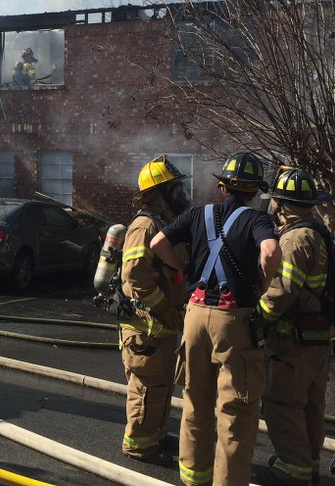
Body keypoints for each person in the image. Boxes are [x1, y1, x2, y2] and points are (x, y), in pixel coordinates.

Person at [150, 151, 282, 486]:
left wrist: (183, 267)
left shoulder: (197, 215)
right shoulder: (257, 220)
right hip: (233, 320)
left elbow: (157, 242)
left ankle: (194, 476)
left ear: (223, 187)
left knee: (196, 398)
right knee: (236, 409)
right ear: (254, 192)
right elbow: (270, 252)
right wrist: (264, 283)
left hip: (194, 316)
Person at [257, 168, 333, 485]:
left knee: (283, 402)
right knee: (311, 403)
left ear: (282, 205)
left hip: (293, 341)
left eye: (275, 201)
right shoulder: (318, 232)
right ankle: (310, 461)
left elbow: (281, 291)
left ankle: (295, 466)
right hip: (318, 338)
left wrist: (255, 320)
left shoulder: (293, 240)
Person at [120, 156, 191, 466]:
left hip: (161, 325)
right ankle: (139, 445)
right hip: (145, 326)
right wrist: (165, 309)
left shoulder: (164, 224)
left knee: (160, 384)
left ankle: (156, 434)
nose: (182, 195)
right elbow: (134, 276)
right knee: (146, 387)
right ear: (159, 194)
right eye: (175, 190)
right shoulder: (145, 225)